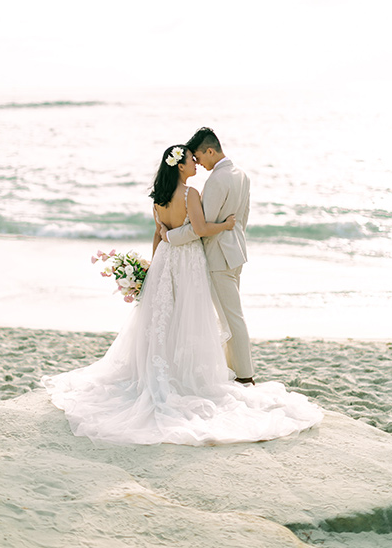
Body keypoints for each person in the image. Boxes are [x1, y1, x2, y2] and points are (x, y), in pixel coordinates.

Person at [42, 144, 323, 446]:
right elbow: (200, 229)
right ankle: (188, 374)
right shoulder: (191, 194)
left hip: (165, 258)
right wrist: (226, 225)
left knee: (164, 317)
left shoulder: (158, 199)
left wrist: (151, 268)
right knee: (189, 317)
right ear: (179, 165)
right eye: (191, 160)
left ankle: (164, 369)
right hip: (187, 259)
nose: (196, 165)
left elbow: (157, 233)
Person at [161, 128, 254, 384]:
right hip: (236, 253)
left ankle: (245, 376)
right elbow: (242, 219)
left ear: (210, 151)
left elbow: (200, 229)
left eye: (200, 157)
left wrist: (169, 237)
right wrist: (232, 238)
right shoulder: (241, 174)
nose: (199, 163)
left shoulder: (216, 181)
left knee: (230, 318)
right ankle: (234, 370)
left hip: (217, 257)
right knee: (230, 315)